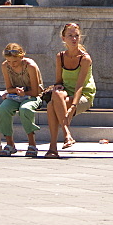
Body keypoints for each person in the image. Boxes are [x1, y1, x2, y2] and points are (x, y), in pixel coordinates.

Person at [46, 22, 96, 158]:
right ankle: (66, 134)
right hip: (64, 95)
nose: (74, 39)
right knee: (56, 95)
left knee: (52, 106)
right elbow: (58, 81)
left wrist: (73, 107)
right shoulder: (60, 57)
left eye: (76, 36)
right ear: (63, 38)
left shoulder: (85, 58)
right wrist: (58, 87)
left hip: (83, 95)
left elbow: (80, 85)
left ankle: (53, 147)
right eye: (70, 36)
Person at [0, 43, 43, 157]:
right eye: (9, 61)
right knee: (3, 109)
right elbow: (9, 88)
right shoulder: (5, 66)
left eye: (15, 62)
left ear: (21, 57)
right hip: (16, 95)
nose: (12, 65)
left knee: (25, 109)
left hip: (32, 95)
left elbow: (36, 92)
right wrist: (15, 91)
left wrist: (24, 93)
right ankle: (10, 143)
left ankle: (32, 143)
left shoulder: (30, 66)